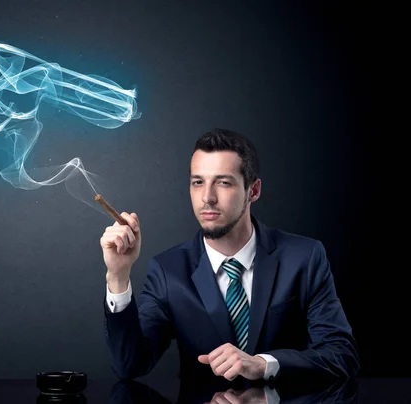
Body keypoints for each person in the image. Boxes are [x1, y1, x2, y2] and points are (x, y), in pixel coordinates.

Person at [100, 128, 360, 382]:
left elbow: (342, 356)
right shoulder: (168, 271)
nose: (207, 198)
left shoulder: (304, 257)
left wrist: (264, 364)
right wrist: (118, 276)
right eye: (198, 182)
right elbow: (129, 366)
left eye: (223, 183)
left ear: (253, 191)